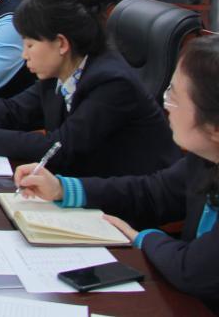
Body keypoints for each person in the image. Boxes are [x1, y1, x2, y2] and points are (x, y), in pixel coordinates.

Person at [15, 36, 219, 312]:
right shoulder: (205, 157)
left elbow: (192, 271)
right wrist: (63, 189)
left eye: (175, 97)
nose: (165, 104)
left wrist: (141, 237)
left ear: (215, 127)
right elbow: (153, 192)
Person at [0, 0, 180, 176]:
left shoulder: (111, 82)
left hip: (123, 197)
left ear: (61, 44)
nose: (24, 55)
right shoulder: (62, 69)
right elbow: (16, 110)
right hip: (79, 181)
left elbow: (60, 146)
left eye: (30, 45)